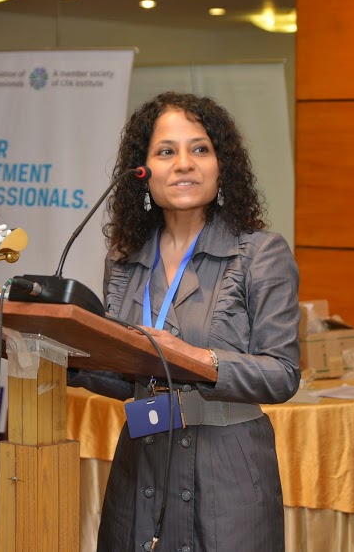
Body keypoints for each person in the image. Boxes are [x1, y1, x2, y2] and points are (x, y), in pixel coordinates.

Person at [70, 91, 300, 552]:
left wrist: (194, 358)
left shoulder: (260, 252)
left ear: (221, 166)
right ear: (143, 171)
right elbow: (128, 377)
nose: (184, 165)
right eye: (165, 152)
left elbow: (282, 373)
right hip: (140, 464)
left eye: (200, 149)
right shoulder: (125, 259)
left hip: (228, 475)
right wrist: (68, 357)